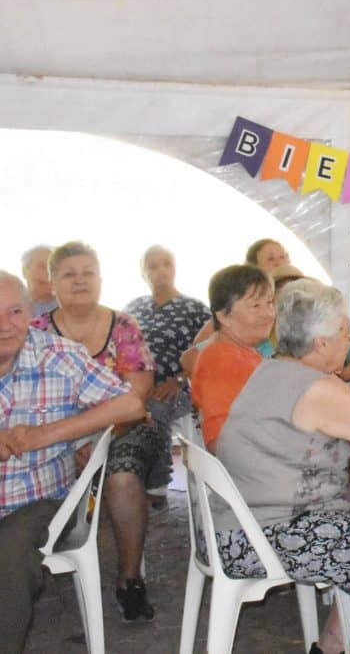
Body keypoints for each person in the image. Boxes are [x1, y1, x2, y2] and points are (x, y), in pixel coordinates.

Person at [213, 279, 350, 654]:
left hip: (250, 520)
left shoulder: (276, 369)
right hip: (264, 534)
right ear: (321, 343)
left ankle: (329, 649)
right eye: (345, 333)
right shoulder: (314, 389)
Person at [0, 271, 145, 651]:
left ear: (31, 312)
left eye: (14, 312)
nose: (4, 325)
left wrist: (47, 433)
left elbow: (131, 404)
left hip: (35, 501)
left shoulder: (59, 356)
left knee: (8, 552)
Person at [28, 242, 162, 622]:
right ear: (53, 283)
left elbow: (138, 395)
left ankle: (129, 579)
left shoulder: (124, 326)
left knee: (121, 476)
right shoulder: (35, 333)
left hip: (124, 428)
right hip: (57, 434)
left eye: (88, 272)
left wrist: (98, 439)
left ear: (101, 279)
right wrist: (69, 440)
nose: (80, 280)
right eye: (69, 274)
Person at [124, 246, 212, 504]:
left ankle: (157, 484)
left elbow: (207, 352)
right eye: (152, 266)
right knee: (120, 410)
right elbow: (120, 349)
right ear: (143, 273)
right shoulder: (133, 308)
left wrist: (180, 379)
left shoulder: (195, 308)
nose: (160, 271)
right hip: (137, 385)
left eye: (166, 264)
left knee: (154, 409)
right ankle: (123, 476)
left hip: (180, 385)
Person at [190, 265, 277, 451]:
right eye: (255, 306)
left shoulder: (241, 351)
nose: (269, 314)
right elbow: (220, 440)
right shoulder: (221, 361)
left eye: (270, 302)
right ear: (223, 316)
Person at [20, 245, 57, 318]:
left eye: (52, 268)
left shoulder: (69, 306)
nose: (48, 273)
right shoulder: (9, 303)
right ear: (25, 271)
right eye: (42, 266)